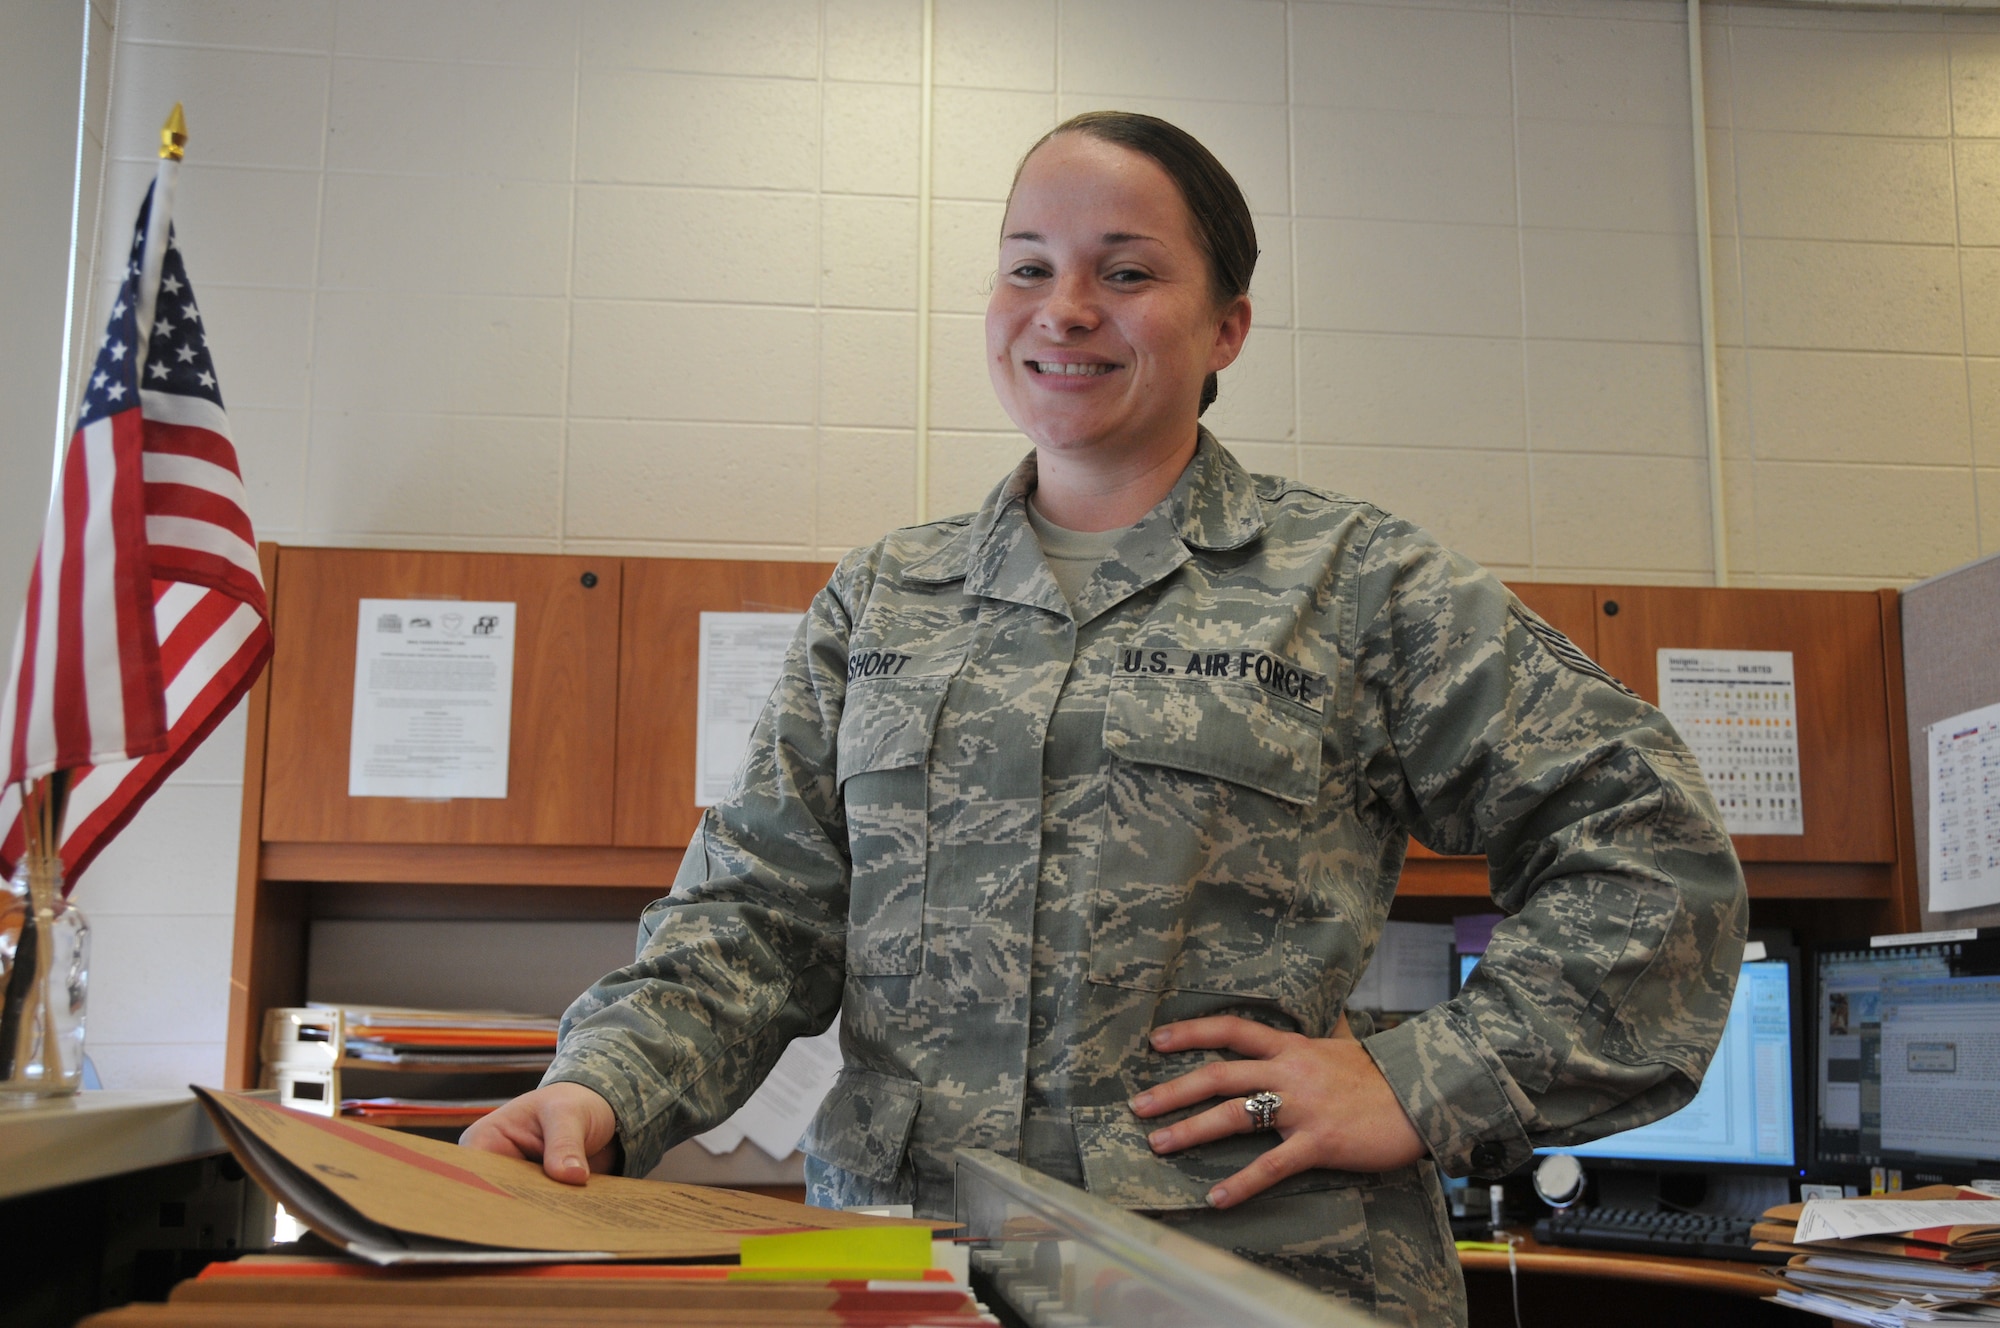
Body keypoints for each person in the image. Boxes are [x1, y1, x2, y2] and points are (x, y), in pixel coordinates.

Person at [463, 112, 1746, 1325]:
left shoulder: (1358, 583)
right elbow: (753, 915)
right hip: (900, 1266)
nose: (1063, 309)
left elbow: (1656, 857)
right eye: (1027, 266)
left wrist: (1417, 1079)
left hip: (1245, 1273)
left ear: (1226, 325)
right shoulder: (882, 599)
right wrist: (598, 1086)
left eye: (1124, 272)